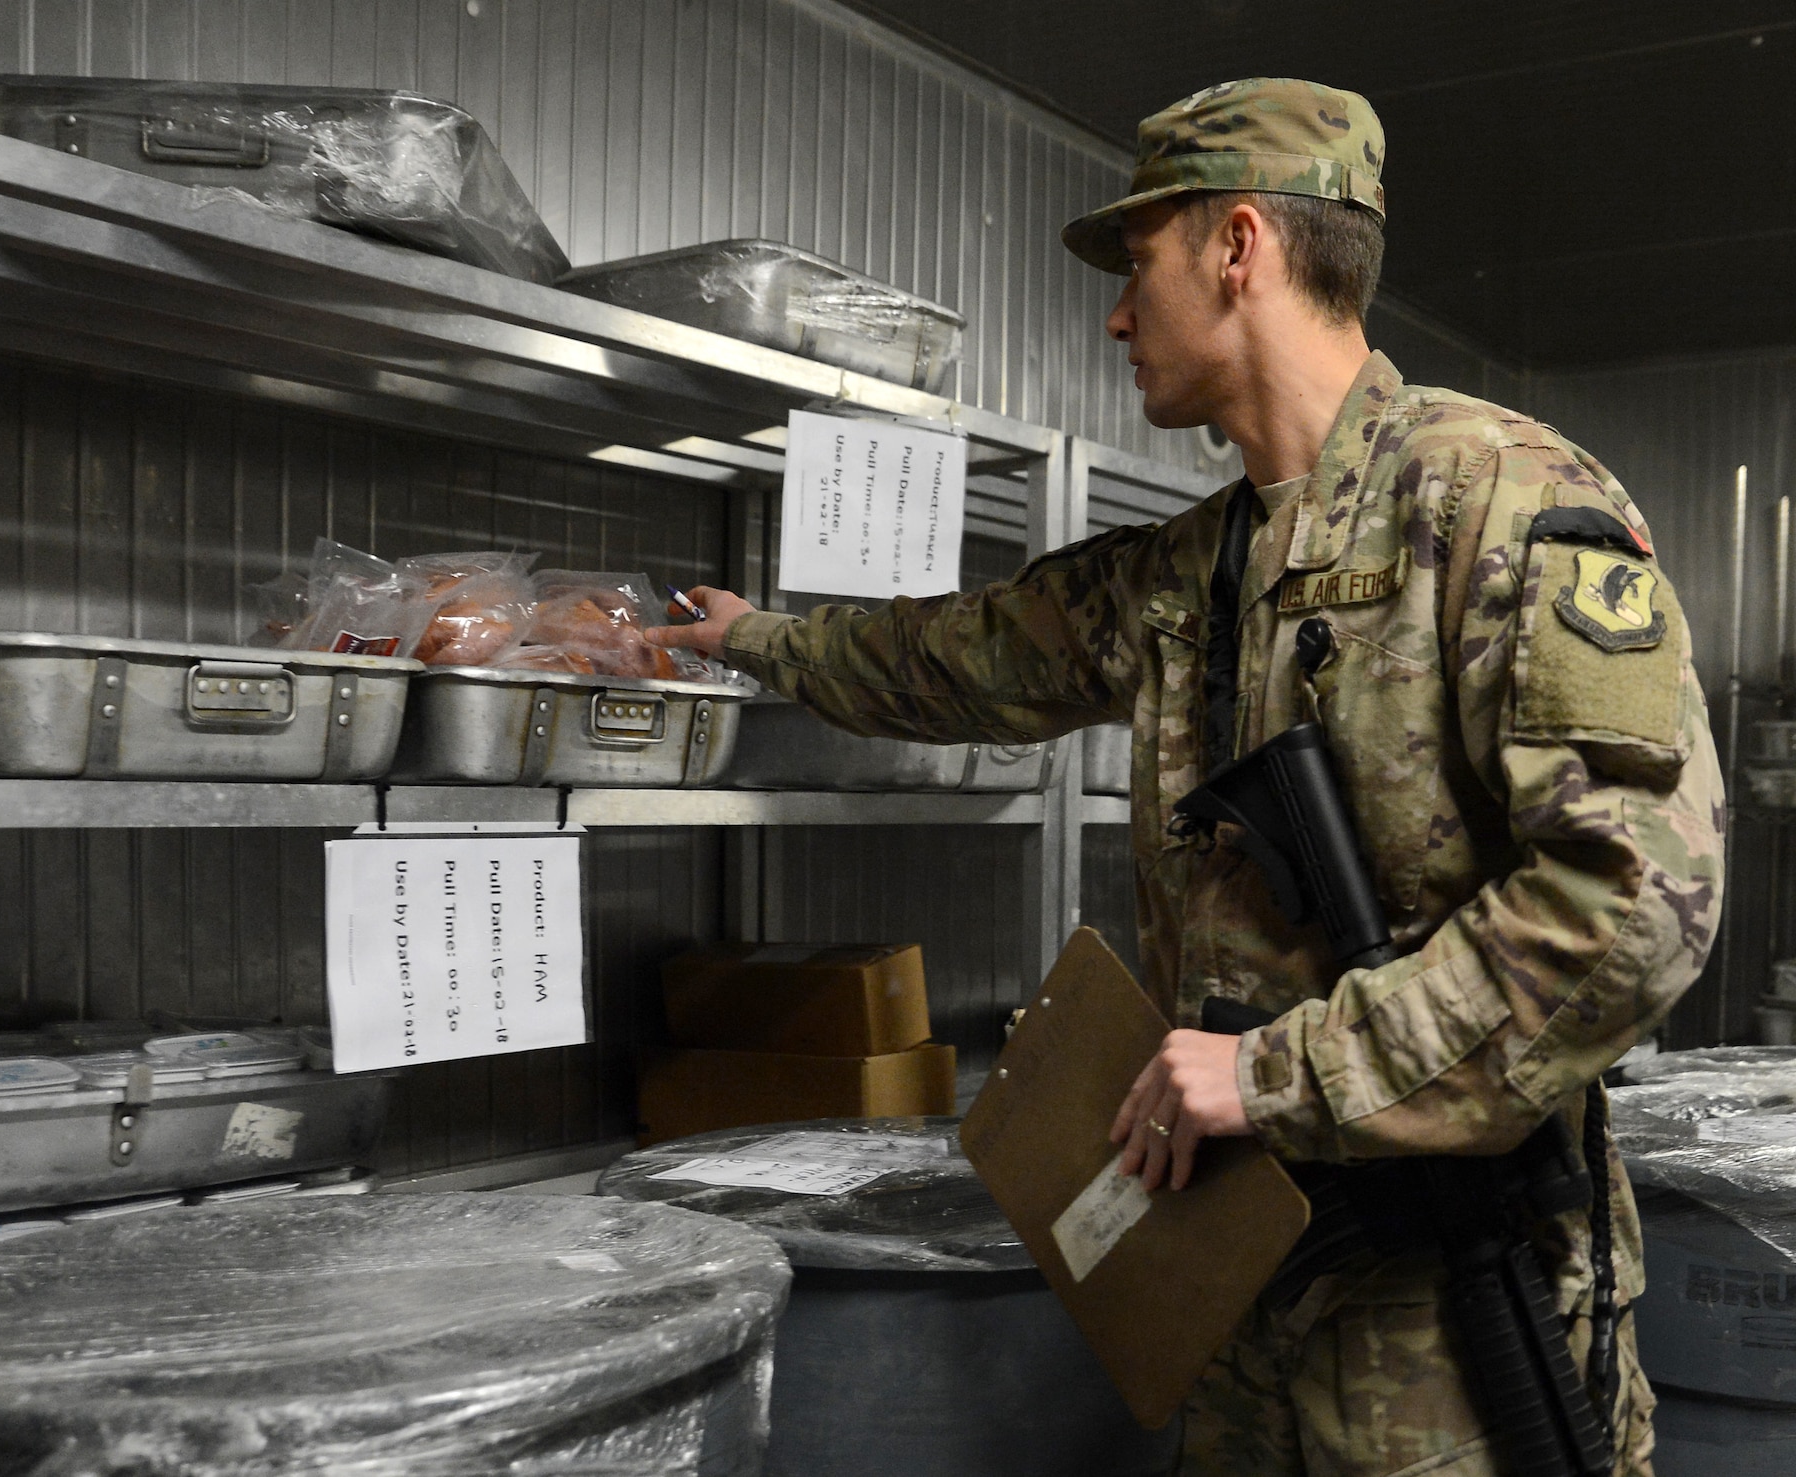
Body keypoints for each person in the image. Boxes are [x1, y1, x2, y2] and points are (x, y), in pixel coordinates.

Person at [646, 77, 1723, 1477]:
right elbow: (961, 656)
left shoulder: (1498, 506)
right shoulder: (1192, 567)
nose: (1112, 315)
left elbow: (1637, 908)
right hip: (1243, 1303)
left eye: (1135, 263)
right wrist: (759, 642)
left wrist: (1275, 1074)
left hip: (1448, 1342)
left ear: (1238, 247)